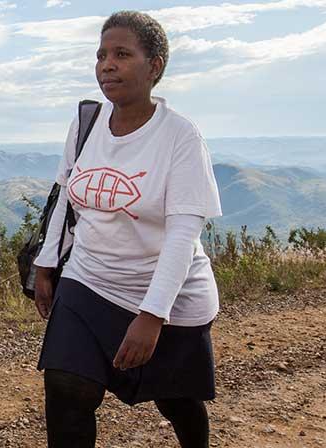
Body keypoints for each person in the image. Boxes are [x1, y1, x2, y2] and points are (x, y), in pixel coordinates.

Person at [30, 10, 221, 448]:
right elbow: (65, 194)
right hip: (88, 278)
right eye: (101, 55)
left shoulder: (180, 137)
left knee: (177, 400)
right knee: (66, 387)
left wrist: (152, 317)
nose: (106, 65)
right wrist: (45, 265)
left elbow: (182, 235)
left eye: (121, 54)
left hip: (165, 292)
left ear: (154, 67)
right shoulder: (86, 123)